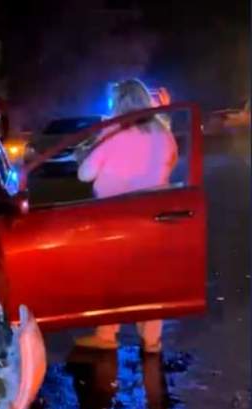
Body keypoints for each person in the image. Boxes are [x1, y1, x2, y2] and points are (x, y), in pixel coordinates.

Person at [73, 78, 178, 353]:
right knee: (151, 282)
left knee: (112, 279)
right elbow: (171, 162)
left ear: (118, 104)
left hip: (116, 218)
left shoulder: (114, 133)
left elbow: (85, 174)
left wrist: (88, 151)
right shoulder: (163, 133)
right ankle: (152, 341)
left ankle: (106, 335)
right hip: (155, 218)